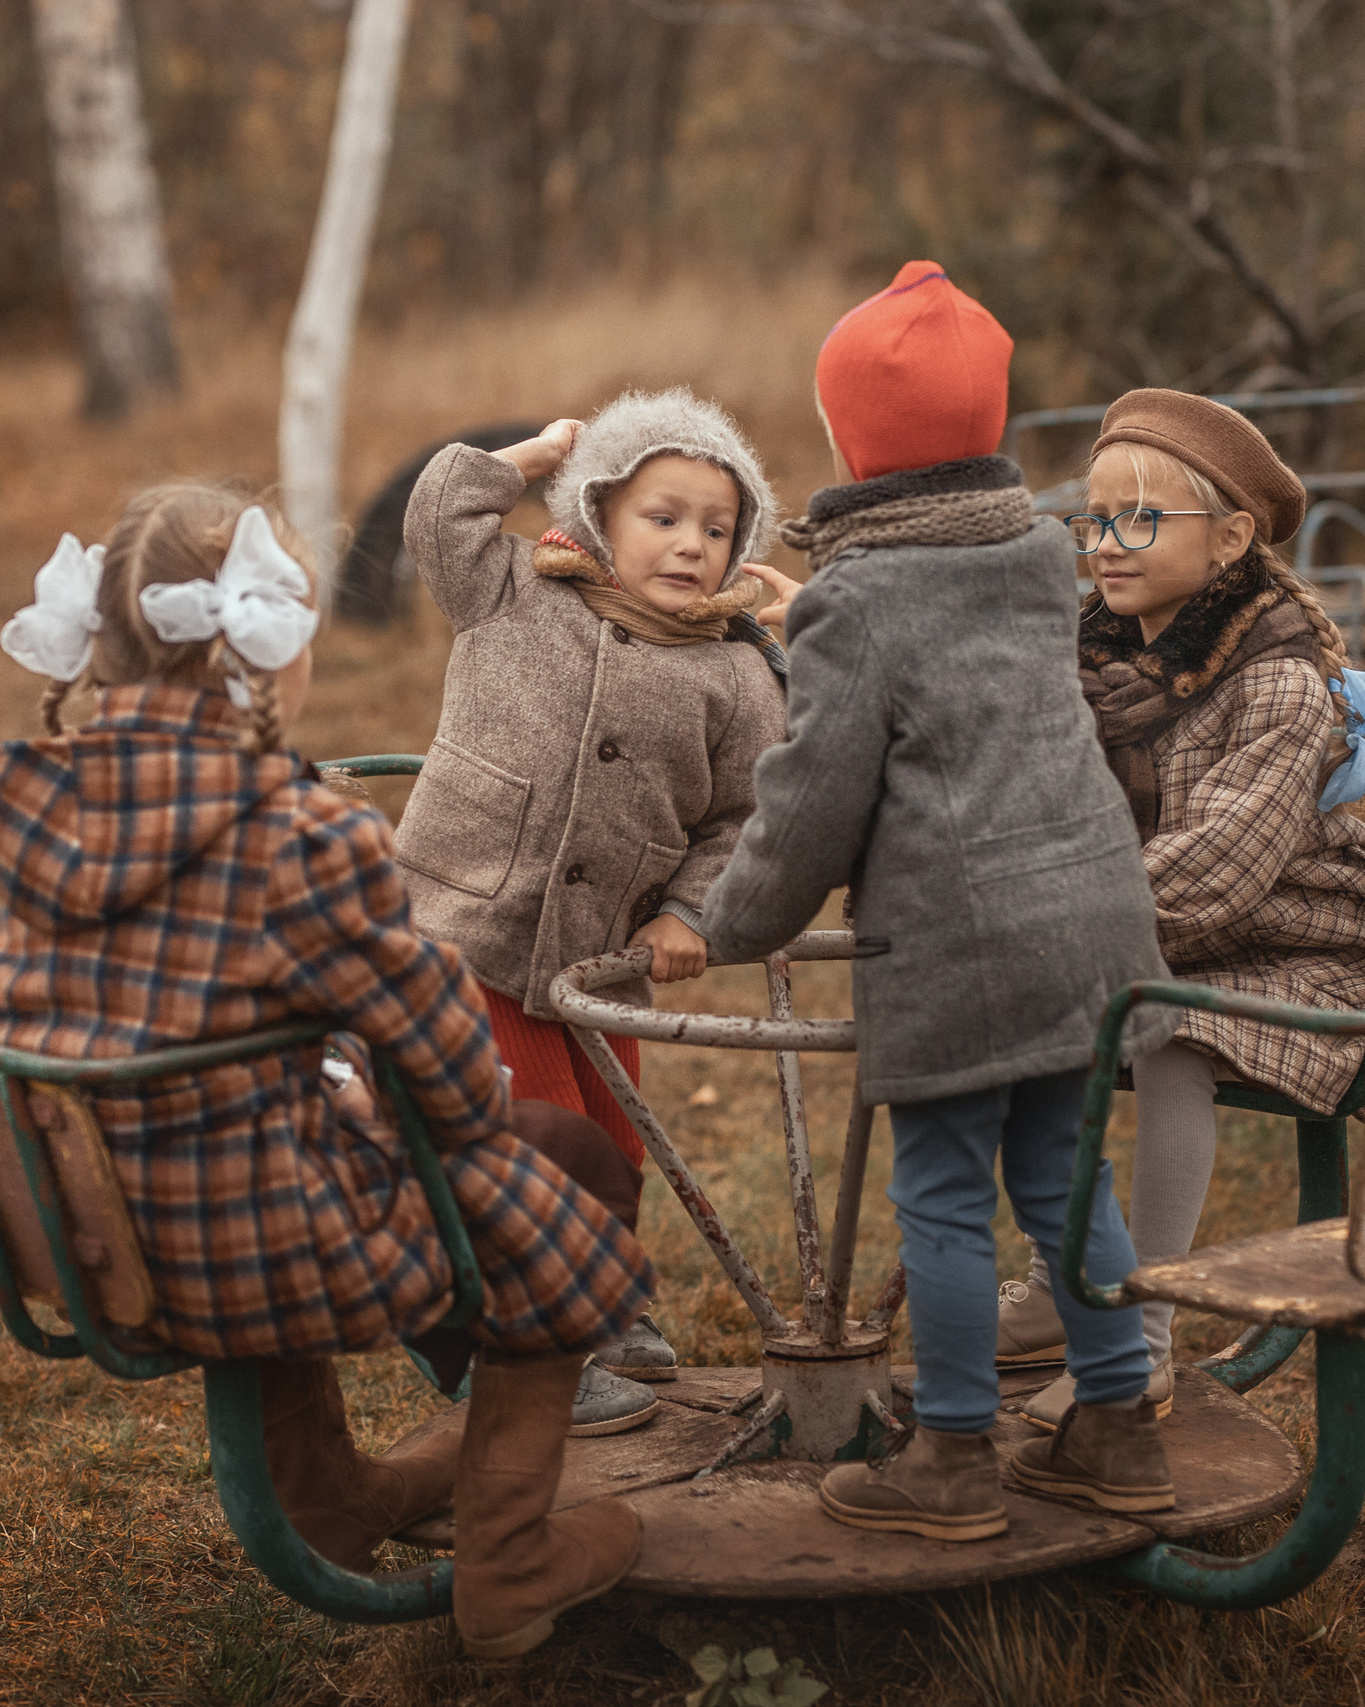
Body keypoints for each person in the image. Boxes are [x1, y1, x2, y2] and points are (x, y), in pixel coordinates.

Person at [0, 485, 657, 1659]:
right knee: (572, 1169)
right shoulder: (298, 830)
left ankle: (334, 1500)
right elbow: (451, 1082)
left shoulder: (21, 804)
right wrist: (378, 1077)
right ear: (264, 652)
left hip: (75, 1235)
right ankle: (509, 1564)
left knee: (258, 1138)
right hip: (249, 1237)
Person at [695, 261, 1176, 1539]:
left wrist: (730, 922)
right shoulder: (1028, 553)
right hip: (1092, 914)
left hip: (968, 941)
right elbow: (953, 698)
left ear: (855, 438)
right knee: (1070, 1176)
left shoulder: (862, 593)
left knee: (947, 1196)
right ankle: (1120, 1426)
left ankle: (954, 1458)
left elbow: (812, 797)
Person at [392, 388, 790, 1415]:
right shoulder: (516, 589)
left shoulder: (737, 670)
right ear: (600, 514)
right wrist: (524, 456)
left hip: (598, 957)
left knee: (615, 1138)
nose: (692, 546)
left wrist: (690, 912)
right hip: (467, 929)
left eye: (717, 527)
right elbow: (438, 510)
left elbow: (743, 817)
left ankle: (602, 1305)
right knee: (536, 1138)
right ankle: (534, 1354)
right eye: (664, 518)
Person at [995, 390, 1365, 1428]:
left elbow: (1220, 872)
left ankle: (1142, 1339)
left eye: (1141, 520)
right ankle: (1062, 1291)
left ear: (1233, 539)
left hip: (1305, 957)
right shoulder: (1097, 661)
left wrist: (1059, 908)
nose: (1106, 545)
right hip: (1164, 938)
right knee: (1044, 1014)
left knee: (1169, 1034)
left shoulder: (1282, 684)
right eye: (1094, 520)